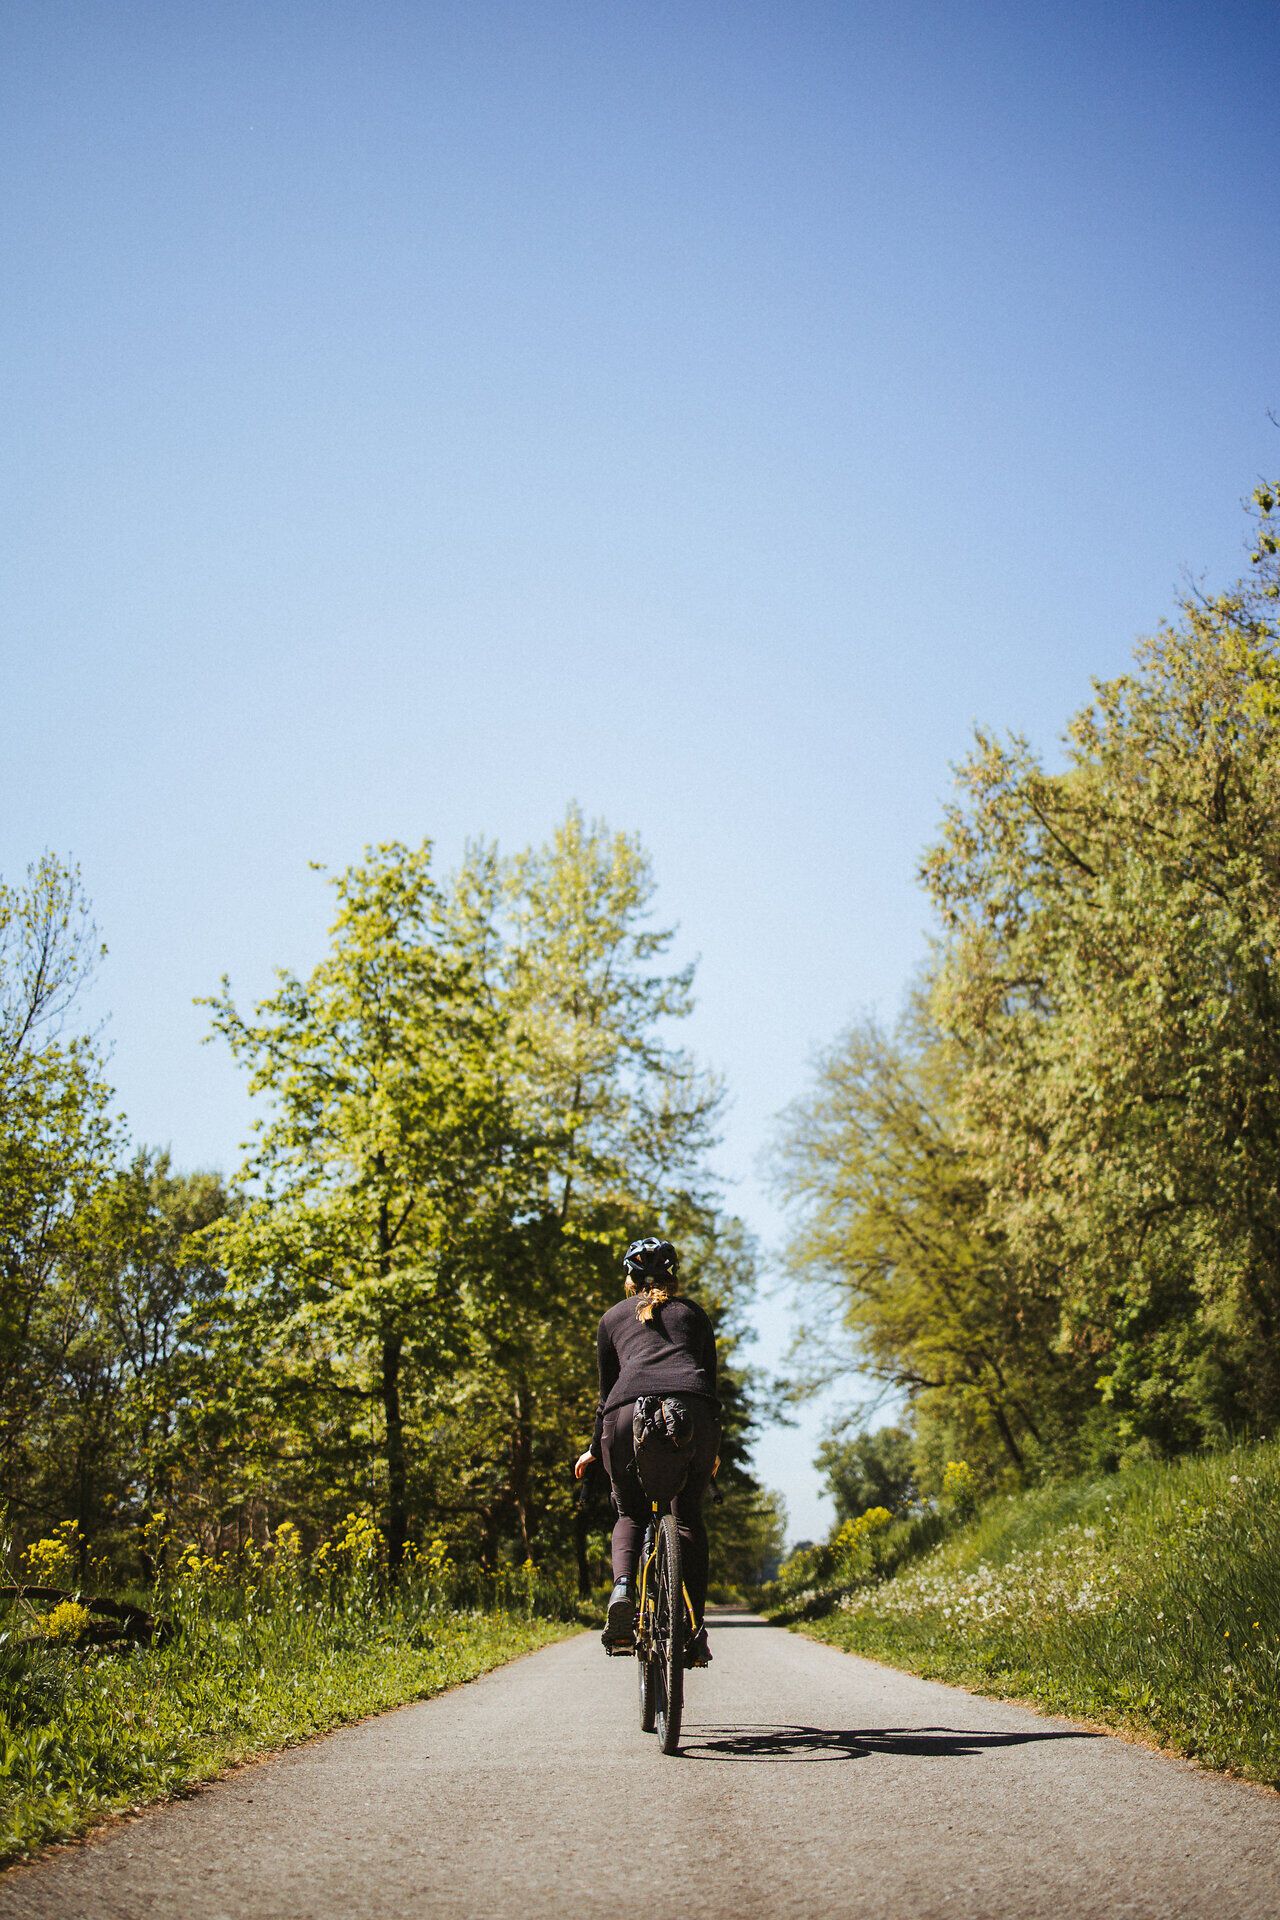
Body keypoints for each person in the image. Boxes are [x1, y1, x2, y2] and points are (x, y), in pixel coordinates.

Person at [574, 1235, 720, 1666]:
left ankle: (622, 1589)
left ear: (629, 1278)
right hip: (692, 1412)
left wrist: (592, 1450)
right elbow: (709, 1384)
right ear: (673, 1278)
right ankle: (691, 1630)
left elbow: (605, 1396)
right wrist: (713, 1448)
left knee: (630, 1512)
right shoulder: (693, 1315)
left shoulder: (611, 1318)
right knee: (687, 1513)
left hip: (624, 1416)